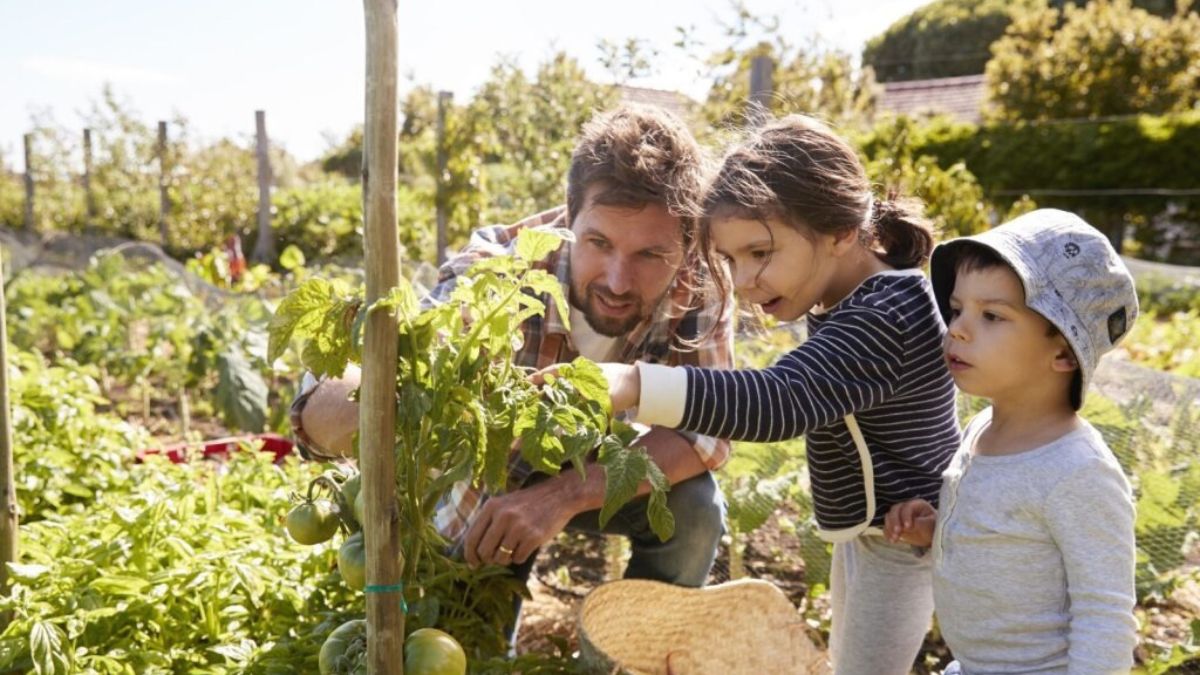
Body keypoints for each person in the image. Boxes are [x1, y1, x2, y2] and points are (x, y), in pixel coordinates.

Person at [290, 105, 732, 598]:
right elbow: (400, 361)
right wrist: (350, 400)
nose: (617, 280)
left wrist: (563, 495)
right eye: (599, 242)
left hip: (597, 470)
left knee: (694, 509)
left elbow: (706, 431)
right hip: (491, 484)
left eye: (651, 254)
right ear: (570, 216)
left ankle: (636, 650)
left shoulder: (700, 282)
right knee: (470, 638)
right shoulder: (502, 268)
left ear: (687, 241)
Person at [587, 114, 961, 674]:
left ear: (839, 231)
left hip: (904, 540)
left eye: (760, 253)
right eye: (731, 259)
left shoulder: (885, 315)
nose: (742, 281)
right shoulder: (854, 300)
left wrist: (636, 384)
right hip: (875, 534)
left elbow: (779, 400)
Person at [884, 209, 1139, 674]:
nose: (957, 328)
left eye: (992, 315)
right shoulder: (982, 428)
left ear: (1062, 351)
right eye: (958, 309)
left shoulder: (1079, 473)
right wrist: (939, 528)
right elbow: (1008, 538)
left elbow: (1104, 617)